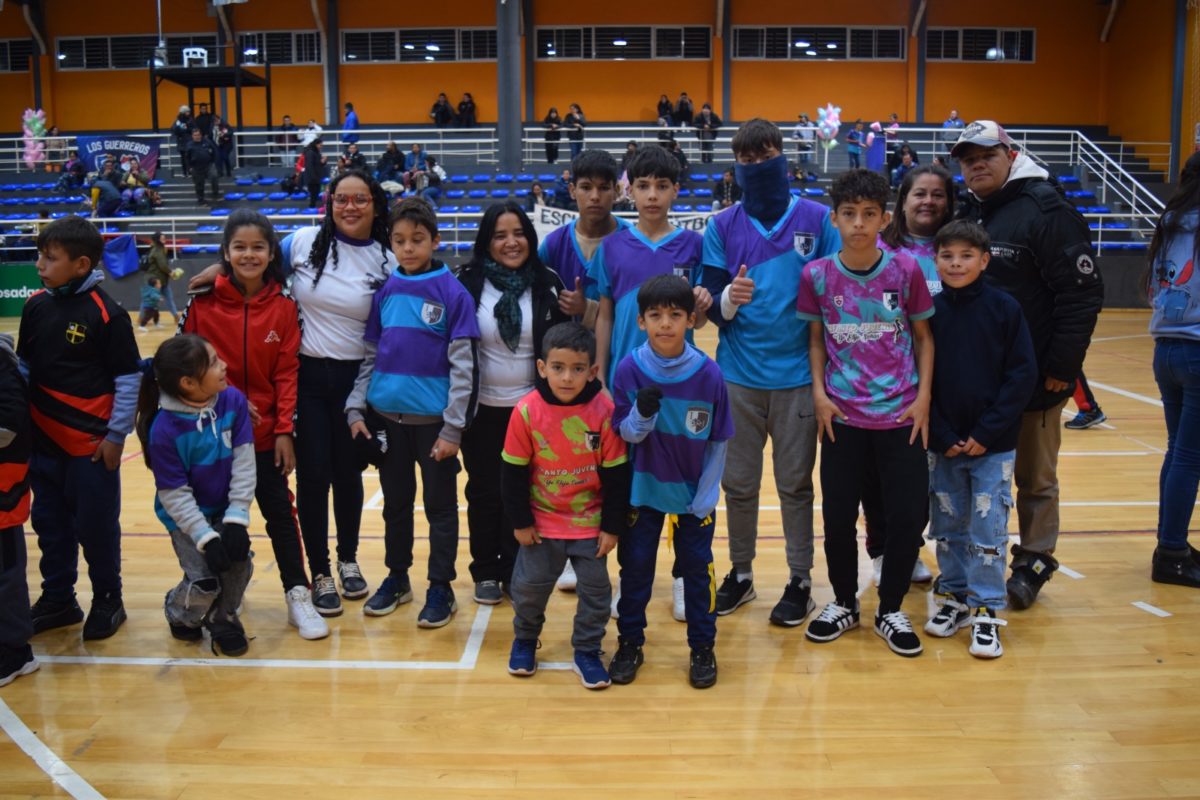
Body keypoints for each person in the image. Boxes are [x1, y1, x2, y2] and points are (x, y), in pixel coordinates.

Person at [953, 120, 1103, 609]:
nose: (976, 164)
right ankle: (977, 563)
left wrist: (1061, 366)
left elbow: (1081, 295)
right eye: (967, 158)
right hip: (979, 383)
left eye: (986, 155)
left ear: (1010, 154)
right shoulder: (972, 211)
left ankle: (1034, 561)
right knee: (976, 478)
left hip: (1036, 380)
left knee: (1035, 478)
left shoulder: (1047, 211)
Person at [698, 118, 839, 627]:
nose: (758, 165)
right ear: (736, 165)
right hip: (737, 375)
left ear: (783, 156)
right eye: (748, 158)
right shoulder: (720, 225)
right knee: (738, 483)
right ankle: (741, 573)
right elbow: (708, 301)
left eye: (766, 155)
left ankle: (800, 578)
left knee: (796, 484)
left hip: (801, 376)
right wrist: (727, 303)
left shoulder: (819, 220)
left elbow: (836, 292)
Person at [797, 168, 935, 657]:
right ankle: (842, 602)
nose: (859, 223)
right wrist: (818, 393)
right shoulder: (816, 275)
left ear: (884, 218)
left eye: (869, 214)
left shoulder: (905, 270)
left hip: (900, 415)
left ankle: (891, 606)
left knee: (905, 515)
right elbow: (816, 340)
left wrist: (922, 399)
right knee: (836, 515)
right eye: (849, 214)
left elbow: (923, 338)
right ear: (834, 219)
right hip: (842, 415)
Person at [178, 209, 328, 640]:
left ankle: (297, 594)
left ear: (271, 252)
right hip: (210, 434)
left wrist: (284, 431)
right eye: (239, 247)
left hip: (264, 438)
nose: (249, 254)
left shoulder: (284, 306)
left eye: (257, 247)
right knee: (216, 515)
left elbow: (287, 374)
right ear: (225, 252)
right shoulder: (202, 301)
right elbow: (183, 367)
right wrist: (233, 404)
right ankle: (225, 596)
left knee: (280, 513)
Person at [345, 198, 479, 627]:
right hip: (388, 423)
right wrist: (355, 406)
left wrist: (453, 428)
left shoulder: (451, 292)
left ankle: (440, 586)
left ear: (435, 240)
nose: (408, 248)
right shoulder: (386, 291)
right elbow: (370, 356)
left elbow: (464, 366)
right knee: (396, 505)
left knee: (440, 508)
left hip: (435, 428)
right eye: (399, 240)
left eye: (417, 240)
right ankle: (398, 577)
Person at [608, 274, 733, 689]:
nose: (665, 323)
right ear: (641, 321)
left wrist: (707, 495)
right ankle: (630, 643)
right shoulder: (629, 368)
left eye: (675, 315)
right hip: (642, 493)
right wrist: (641, 414)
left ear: (692, 320)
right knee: (636, 570)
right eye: (655, 315)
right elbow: (626, 434)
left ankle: (702, 648)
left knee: (697, 573)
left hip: (692, 497)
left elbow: (717, 441)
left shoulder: (709, 375)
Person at [20, 216, 141, 640]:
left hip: (91, 449)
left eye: (50, 258)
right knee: (49, 524)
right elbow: (24, 371)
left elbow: (128, 379)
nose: (40, 265)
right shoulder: (35, 306)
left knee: (96, 526)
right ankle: (59, 599)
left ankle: (109, 598)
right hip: (43, 447)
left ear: (82, 263)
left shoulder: (108, 313)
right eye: (40, 256)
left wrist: (115, 437)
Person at [924, 220, 1037, 659]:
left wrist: (987, 432)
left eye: (966, 255)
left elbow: (1021, 375)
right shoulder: (929, 313)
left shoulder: (1005, 309)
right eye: (947, 255)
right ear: (936, 260)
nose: (956, 263)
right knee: (949, 526)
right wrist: (943, 433)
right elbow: (919, 378)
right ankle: (953, 596)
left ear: (985, 260)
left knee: (989, 527)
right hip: (944, 444)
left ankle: (987, 608)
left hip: (993, 445)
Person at [502, 322, 629, 689]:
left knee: (597, 593)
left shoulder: (605, 411)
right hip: (542, 523)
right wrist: (521, 521)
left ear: (592, 371)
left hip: (590, 524)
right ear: (542, 368)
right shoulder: (526, 411)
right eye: (557, 368)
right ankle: (525, 639)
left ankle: (587, 650)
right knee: (528, 589)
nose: (567, 377)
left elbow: (617, 475)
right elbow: (511, 472)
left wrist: (611, 526)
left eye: (577, 369)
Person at [457, 203, 571, 605]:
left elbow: (568, 343)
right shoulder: (465, 282)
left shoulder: (547, 282)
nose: (511, 242)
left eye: (518, 233)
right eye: (500, 235)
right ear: (487, 242)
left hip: (533, 412)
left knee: (522, 492)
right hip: (481, 409)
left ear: (530, 237)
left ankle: (516, 566)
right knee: (485, 491)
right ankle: (486, 569)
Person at [136, 335, 256, 656]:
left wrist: (236, 518)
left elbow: (244, 462)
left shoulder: (233, 401)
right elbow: (175, 495)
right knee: (204, 581)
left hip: (224, 506)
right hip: (185, 516)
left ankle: (223, 617)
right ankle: (180, 613)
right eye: (214, 363)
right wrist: (206, 537)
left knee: (240, 565)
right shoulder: (164, 430)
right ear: (188, 383)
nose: (224, 366)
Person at [867, 163, 956, 586]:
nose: (928, 201)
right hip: (893, 383)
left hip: (949, 380)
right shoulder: (882, 251)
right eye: (920, 193)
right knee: (889, 475)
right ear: (902, 201)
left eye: (937, 194)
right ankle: (885, 549)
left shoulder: (957, 249)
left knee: (933, 476)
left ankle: (925, 546)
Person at [1147, 149, 1200, 587]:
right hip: (1198, 347)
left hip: (1166, 345)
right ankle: (1171, 552)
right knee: (1189, 456)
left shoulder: (1171, 221)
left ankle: (1171, 543)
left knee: (1177, 452)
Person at [538, 149, 631, 334]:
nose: (595, 196)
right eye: (586, 187)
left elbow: (638, 311)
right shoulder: (553, 245)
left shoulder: (632, 241)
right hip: (567, 357)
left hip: (618, 358)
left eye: (604, 188)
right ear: (572, 191)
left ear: (616, 191)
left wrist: (587, 309)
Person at [0, 332, 36, 687]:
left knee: (6, 575)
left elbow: (9, 427)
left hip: (4, 494)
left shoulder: (4, 369)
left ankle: (16, 651)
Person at [142, 231, 179, 325]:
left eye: (164, 238)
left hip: (162, 279)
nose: (164, 240)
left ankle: (176, 317)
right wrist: (171, 272)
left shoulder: (158, 249)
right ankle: (142, 318)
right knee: (150, 300)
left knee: (165, 298)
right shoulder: (157, 250)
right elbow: (162, 265)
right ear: (157, 239)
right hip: (155, 280)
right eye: (162, 238)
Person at [184, 128, 219, 206]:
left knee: (214, 176)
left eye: (198, 135)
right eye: (195, 135)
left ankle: (215, 192)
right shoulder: (189, 145)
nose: (197, 137)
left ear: (201, 135)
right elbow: (186, 158)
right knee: (199, 185)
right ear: (192, 136)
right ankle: (201, 200)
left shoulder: (207, 142)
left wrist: (214, 162)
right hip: (196, 167)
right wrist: (189, 168)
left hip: (209, 165)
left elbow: (214, 151)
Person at [302, 138, 326, 208]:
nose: (321, 147)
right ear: (316, 144)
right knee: (313, 194)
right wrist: (313, 177)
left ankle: (312, 208)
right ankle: (311, 209)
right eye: (320, 145)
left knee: (316, 193)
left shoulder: (316, 152)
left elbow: (318, 164)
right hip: (312, 178)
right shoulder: (310, 152)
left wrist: (323, 162)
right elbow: (309, 166)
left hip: (316, 177)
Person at [171, 105, 193, 176]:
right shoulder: (178, 121)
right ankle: (184, 172)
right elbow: (173, 129)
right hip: (181, 141)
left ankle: (189, 170)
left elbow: (194, 128)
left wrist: (188, 129)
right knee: (183, 157)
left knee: (189, 156)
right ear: (183, 112)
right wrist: (179, 129)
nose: (189, 113)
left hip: (189, 141)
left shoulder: (190, 120)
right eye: (187, 112)